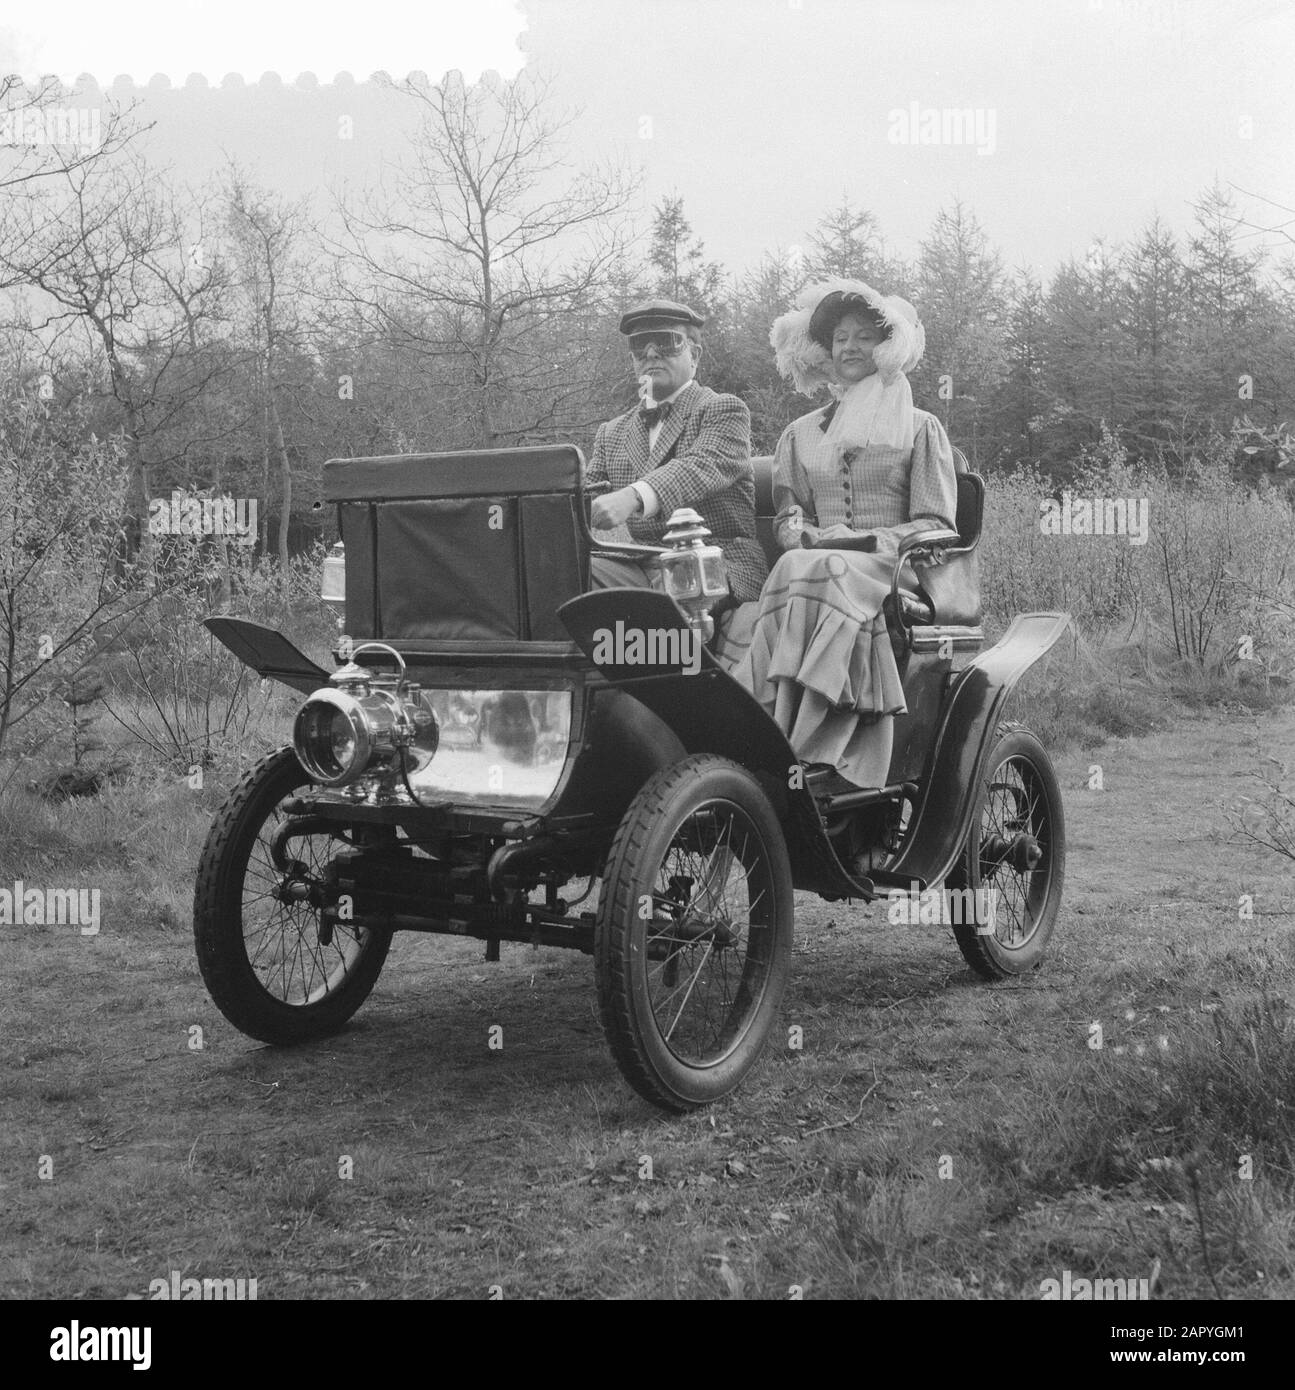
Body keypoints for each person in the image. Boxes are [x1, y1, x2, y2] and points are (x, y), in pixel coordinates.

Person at [721, 279, 959, 790]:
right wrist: (803, 536)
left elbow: (937, 526)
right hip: (818, 562)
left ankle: (813, 741)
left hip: (893, 570)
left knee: (824, 567)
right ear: (826, 352)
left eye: (864, 336)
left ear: (887, 346)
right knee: (799, 564)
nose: (850, 347)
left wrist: (864, 541)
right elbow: (789, 517)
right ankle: (764, 729)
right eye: (840, 338)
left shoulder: (920, 428)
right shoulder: (799, 434)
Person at [586, 299, 767, 604]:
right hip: (642, 563)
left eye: (668, 342)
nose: (652, 353)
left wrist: (631, 497)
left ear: (694, 355)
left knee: (668, 594)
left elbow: (700, 467)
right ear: (633, 358)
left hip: (718, 561)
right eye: (641, 344)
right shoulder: (612, 432)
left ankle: (652, 651)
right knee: (569, 577)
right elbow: (585, 495)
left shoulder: (723, 410)